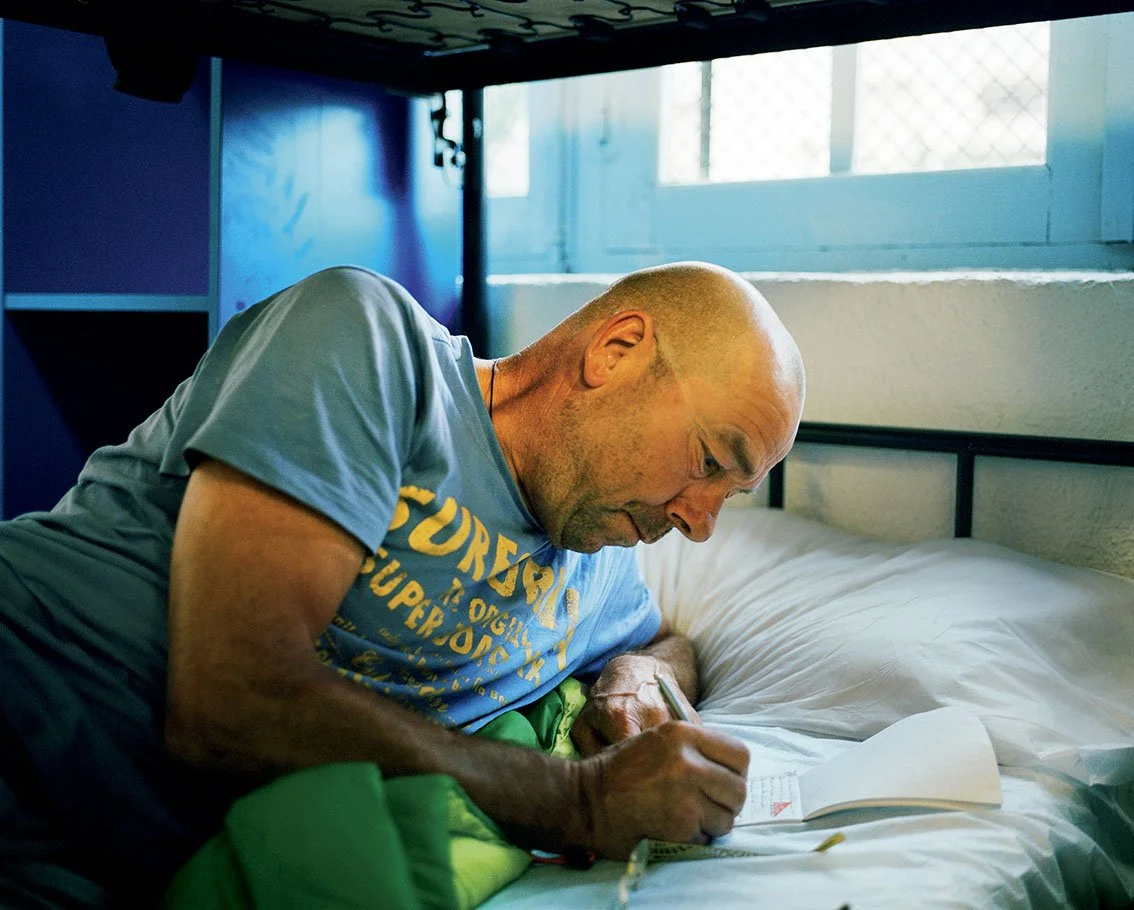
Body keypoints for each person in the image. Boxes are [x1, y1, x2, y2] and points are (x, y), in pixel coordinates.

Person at [0, 261, 805, 907]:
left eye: (729, 497)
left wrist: (633, 679)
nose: (701, 524)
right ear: (616, 350)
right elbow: (232, 701)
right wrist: (579, 801)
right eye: (709, 462)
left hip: (107, 859)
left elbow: (666, 641)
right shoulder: (366, 342)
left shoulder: (596, 563)